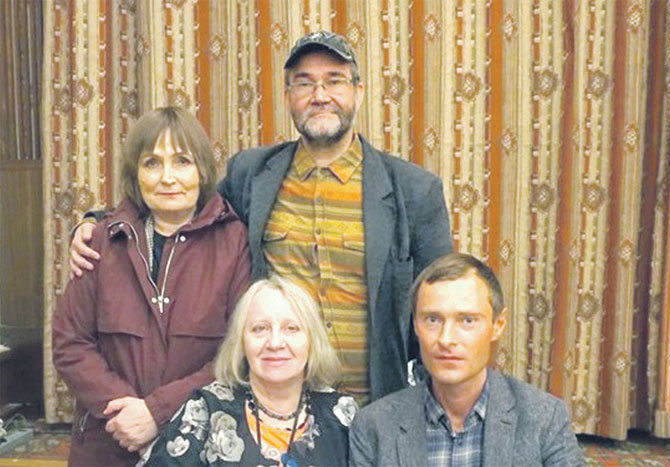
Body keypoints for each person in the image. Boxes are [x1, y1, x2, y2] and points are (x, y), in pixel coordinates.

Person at [69, 30, 454, 404]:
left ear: (358, 91)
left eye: (334, 81)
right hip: (274, 410)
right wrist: (97, 222)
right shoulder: (251, 174)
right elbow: (183, 204)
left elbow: (441, 305)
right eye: (304, 83)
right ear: (288, 97)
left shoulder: (413, 191)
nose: (320, 95)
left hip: (371, 412)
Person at [52, 107, 251, 466]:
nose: (168, 178)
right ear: (136, 174)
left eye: (182, 162)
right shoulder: (100, 240)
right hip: (107, 441)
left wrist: (157, 412)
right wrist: (126, 413)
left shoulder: (234, 241)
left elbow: (237, 351)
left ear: (202, 170)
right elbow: (70, 342)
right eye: (152, 163)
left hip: (197, 443)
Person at [349, 253, 585, 466]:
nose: (446, 339)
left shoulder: (544, 418)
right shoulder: (374, 427)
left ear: (497, 325)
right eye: (432, 319)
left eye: (467, 320)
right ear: (416, 325)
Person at [138, 276, 358, 467]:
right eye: (259, 329)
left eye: (291, 328)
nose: (275, 343)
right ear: (241, 343)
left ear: (312, 341)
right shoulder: (206, 409)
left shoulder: (341, 414)